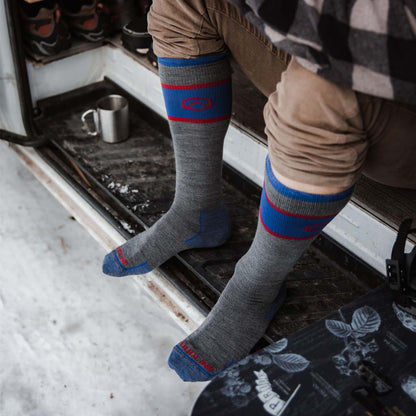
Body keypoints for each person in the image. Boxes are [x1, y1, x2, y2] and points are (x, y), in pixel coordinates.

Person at [103, 0, 416, 381]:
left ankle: (255, 288)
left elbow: (375, 36)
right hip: (326, 45)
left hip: (393, 87)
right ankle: (194, 210)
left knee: (316, 95)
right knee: (180, 6)